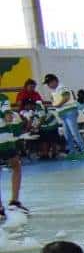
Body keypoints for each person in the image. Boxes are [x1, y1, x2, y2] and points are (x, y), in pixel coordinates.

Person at [43, 74, 84, 158]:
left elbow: (66, 97)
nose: (48, 85)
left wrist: (57, 105)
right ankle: (72, 152)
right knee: (67, 134)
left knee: (74, 133)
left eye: (49, 83)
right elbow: (55, 102)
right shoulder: (54, 91)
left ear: (54, 81)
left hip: (69, 112)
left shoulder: (62, 87)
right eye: (47, 84)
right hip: (63, 114)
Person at [0, 90, 26, 221]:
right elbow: (8, 117)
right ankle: (14, 202)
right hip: (4, 139)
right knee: (16, 166)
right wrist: (13, 117)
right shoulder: (2, 98)